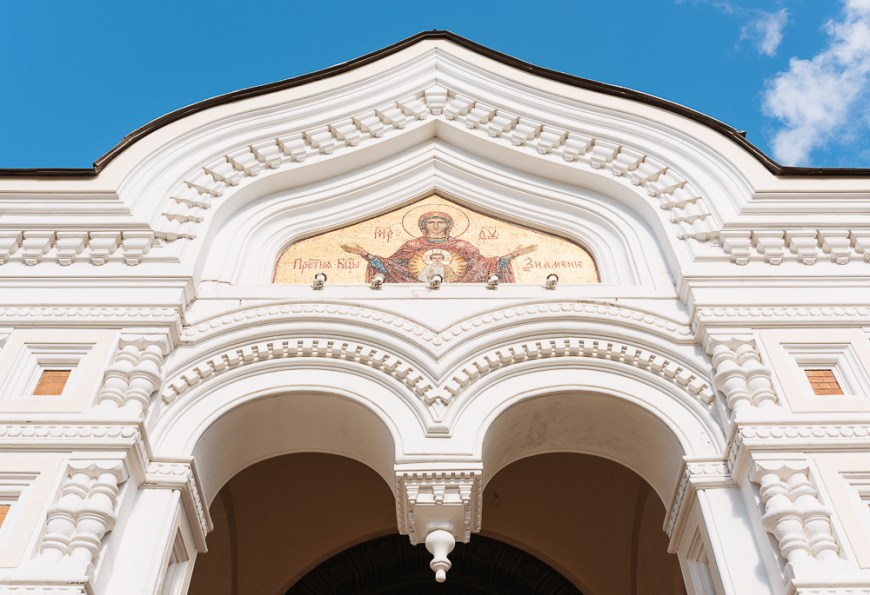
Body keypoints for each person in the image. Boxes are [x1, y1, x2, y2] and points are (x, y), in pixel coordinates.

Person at [341, 211, 536, 283]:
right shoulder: (412, 246)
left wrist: (513, 255)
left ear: (448, 226)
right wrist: (365, 254)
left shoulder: (461, 246)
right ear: (423, 226)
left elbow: (484, 266)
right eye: (431, 222)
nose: (435, 226)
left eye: (440, 222)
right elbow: (392, 267)